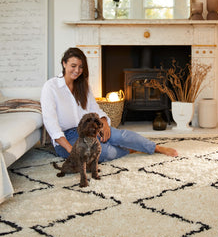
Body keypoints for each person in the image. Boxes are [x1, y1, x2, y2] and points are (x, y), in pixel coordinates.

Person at [40, 47, 178, 161]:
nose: (77, 70)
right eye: (73, 66)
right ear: (64, 64)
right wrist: (71, 150)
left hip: (89, 128)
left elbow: (95, 108)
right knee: (105, 152)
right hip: (67, 138)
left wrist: (104, 123)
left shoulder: (83, 86)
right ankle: (129, 150)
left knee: (119, 136)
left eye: (81, 67)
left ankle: (156, 147)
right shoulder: (51, 87)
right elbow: (51, 124)